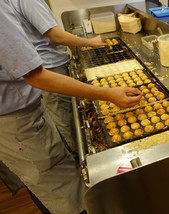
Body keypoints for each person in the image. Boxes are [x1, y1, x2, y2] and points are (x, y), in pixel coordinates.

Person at [0, 1, 143, 214]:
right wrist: (108, 94)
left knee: (52, 176)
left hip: (20, 111)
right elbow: (36, 76)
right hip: (16, 121)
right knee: (56, 184)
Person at [10, 0, 108, 153]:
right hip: (50, 68)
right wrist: (89, 42)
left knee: (64, 115)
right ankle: (79, 158)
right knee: (66, 119)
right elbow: (57, 36)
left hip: (46, 66)